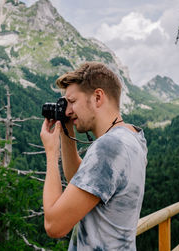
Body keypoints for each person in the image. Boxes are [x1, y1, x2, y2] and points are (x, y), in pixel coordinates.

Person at [40, 61, 147, 250]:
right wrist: (67, 131)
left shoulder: (108, 147)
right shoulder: (133, 137)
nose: (67, 110)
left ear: (98, 97)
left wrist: (51, 153)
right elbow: (82, 180)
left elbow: (54, 226)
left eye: (72, 102)